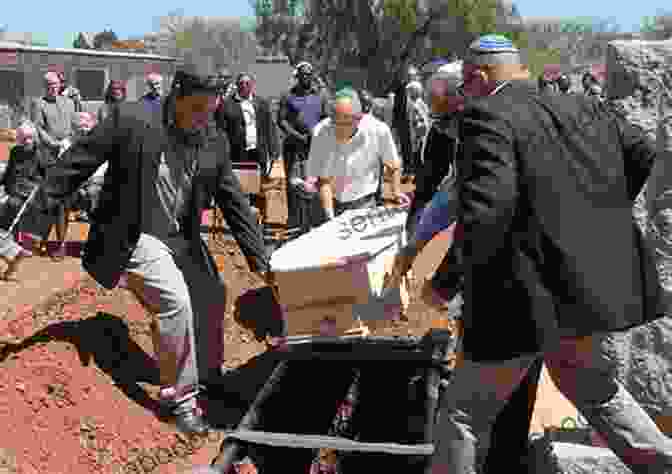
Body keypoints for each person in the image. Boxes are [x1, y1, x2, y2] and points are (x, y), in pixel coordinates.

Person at [421, 34, 672, 474]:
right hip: (579, 289)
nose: (464, 95)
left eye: (465, 85)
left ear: (478, 77)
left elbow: (487, 210)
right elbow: (641, 150)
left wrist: (445, 283)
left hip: (521, 298)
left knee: (464, 415)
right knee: (594, 388)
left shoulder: (487, 115)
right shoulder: (585, 105)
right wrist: (594, 217)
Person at [39, 62, 273, 436]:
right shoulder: (131, 120)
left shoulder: (213, 138)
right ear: (176, 95)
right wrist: (30, 220)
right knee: (174, 301)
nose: (203, 118)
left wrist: (262, 259)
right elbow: (75, 164)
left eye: (210, 109)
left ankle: (209, 377)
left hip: (181, 236)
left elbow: (233, 201)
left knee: (212, 293)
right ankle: (179, 398)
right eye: (196, 108)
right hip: (134, 234)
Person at [277, 61, 330, 240]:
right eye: (302, 75)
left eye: (309, 74)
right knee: (294, 183)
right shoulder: (287, 96)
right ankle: (294, 219)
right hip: (293, 146)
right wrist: (298, 137)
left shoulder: (320, 96)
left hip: (315, 147)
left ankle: (313, 218)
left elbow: (325, 120)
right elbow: (281, 120)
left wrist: (318, 136)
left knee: (315, 181)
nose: (306, 77)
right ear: (297, 77)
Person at [30, 71, 78, 260]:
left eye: (55, 83)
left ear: (60, 84)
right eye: (49, 84)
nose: (52, 87)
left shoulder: (69, 102)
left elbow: (76, 125)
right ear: (44, 85)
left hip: (68, 158)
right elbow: (39, 129)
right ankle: (41, 239)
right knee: (48, 202)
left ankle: (61, 244)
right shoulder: (39, 103)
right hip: (48, 159)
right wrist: (54, 144)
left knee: (64, 204)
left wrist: (69, 141)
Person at [0, 122, 44, 281]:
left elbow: (48, 176)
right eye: (24, 138)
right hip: (12, 190)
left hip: (28, 194)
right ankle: (13, 253)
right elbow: (9, 172)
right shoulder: (15, 151)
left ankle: (13, 252)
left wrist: (38, 186)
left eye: (30, 138)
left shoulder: (40, 154)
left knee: (11, 207)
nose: (27, 141)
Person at [215, 72, 279, 179]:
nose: (244, 86)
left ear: (252, 85)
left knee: (258, 188)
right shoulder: (226, 105)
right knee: (240, 188)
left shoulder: (261, 103)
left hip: (258, 153)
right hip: (237, 154)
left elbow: (270, 128)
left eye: (247, 83)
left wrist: (274, 151)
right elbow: (221, 131)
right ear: (237, 85)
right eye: (241, 83)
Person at [392, 64, 420, 181]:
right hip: (402, 117)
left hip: (406, 118)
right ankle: (409, 170)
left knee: (408, 143)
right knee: (406, 144)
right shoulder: (400, 89)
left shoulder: (407, 88)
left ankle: (410, 170)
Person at [405, 80, 431, 186]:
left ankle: (419, 181)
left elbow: (418, 123)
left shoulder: (414, 105)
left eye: (409, 91)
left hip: (418, 137)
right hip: (423, 136)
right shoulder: (422, 103)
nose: (407, 93)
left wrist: (415, 137)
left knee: (418, 159)